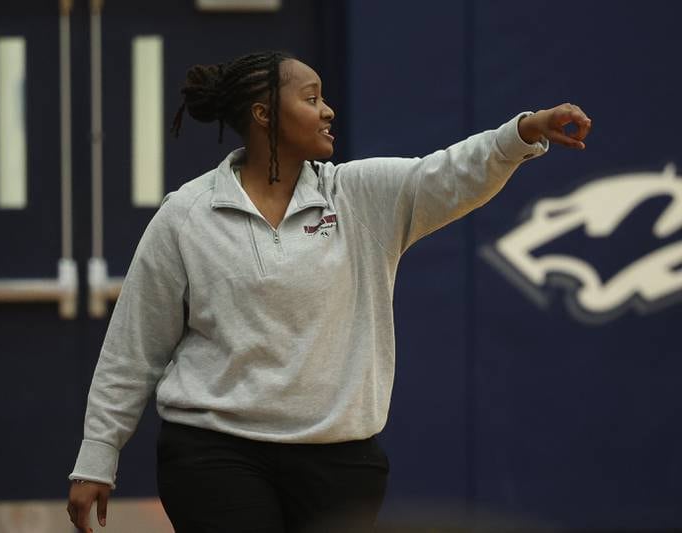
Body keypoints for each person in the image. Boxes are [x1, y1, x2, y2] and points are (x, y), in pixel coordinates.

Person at [66, 50, 592, 532]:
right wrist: (97, 455)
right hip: (214, 455)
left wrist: (522, 132)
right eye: (311, 98)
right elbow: (134, 347)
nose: (328, 111)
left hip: (340, 460)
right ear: (263, 114)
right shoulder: (185, 215)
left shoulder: (361, 196)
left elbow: (449, 172)